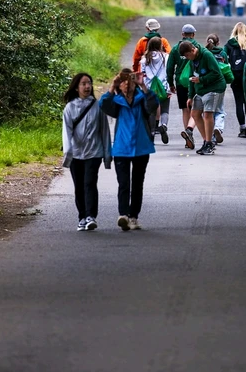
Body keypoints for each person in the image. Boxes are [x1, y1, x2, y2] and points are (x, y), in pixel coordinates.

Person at [100, 68, 156, 231]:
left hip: (141, 146)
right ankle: (123, 215)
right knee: (123, 183)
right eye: (123, 81)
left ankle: (133, 217)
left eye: (129, 81)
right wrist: (112, 87)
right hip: (122, 147)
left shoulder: (142, 98)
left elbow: (153, 105)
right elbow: (103, 105)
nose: (126, 84)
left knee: (137, 184)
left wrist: (143, 85)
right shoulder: (117, 102)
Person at [62, 72, 112, 231]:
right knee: (79, 186)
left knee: (90, 183)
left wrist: (107, 155)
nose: (87, 86)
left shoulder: (98, 106)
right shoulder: (70, 108)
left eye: (89, 83)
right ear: (76, 88)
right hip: (76, 153)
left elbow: (105, 131)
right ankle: (82, 217)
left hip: (94, 152)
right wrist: (68, 153)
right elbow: (66, 132)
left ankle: (91, 216)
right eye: (83, 84)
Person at [181, 40, 226, 156]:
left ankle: (209, 143)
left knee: (207, 114)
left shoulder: (206, 55)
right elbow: (191, 78)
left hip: (214, 88)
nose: (187, 58)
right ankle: (206, 141)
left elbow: (216, 73)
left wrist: (201, 79)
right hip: (201, 90)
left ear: (193, 50)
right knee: (195, 114)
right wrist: (190, 96)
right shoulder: (192, 61)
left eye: (188, 55)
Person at [166, 24, 204, 149]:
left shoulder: (176, 48)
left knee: (185, 109)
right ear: (193, 34)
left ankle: (188, 135)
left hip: (181, 82)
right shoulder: (197, 47)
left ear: (182, 34)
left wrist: (171, 83)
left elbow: (170, 67)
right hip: (196, 80)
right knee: (196, 108)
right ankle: (189, 130)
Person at [224, 23, 246, 137]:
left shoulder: (229, 44)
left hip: (235, 75)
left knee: (238, 102)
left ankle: (242, 128)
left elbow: (223, 57)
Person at [140, 36, 170, 144]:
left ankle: (152, 131)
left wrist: (143, 88)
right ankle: (163, 125)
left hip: (149, 88)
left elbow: (143, 75)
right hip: (163, 86)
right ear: (160, 45)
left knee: (152, 111)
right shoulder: (166, 57)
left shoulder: (144, 59)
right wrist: (169, 87)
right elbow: (169, 72)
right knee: (165, 109)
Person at [205, 33, 230, 145]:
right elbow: (227, 68)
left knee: (208, 110)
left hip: (207, 84)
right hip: (220, 84)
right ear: (218, 42)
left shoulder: (205, 53)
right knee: (219, 109)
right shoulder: (222, 53)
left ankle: (210, 134)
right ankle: (218, 128)